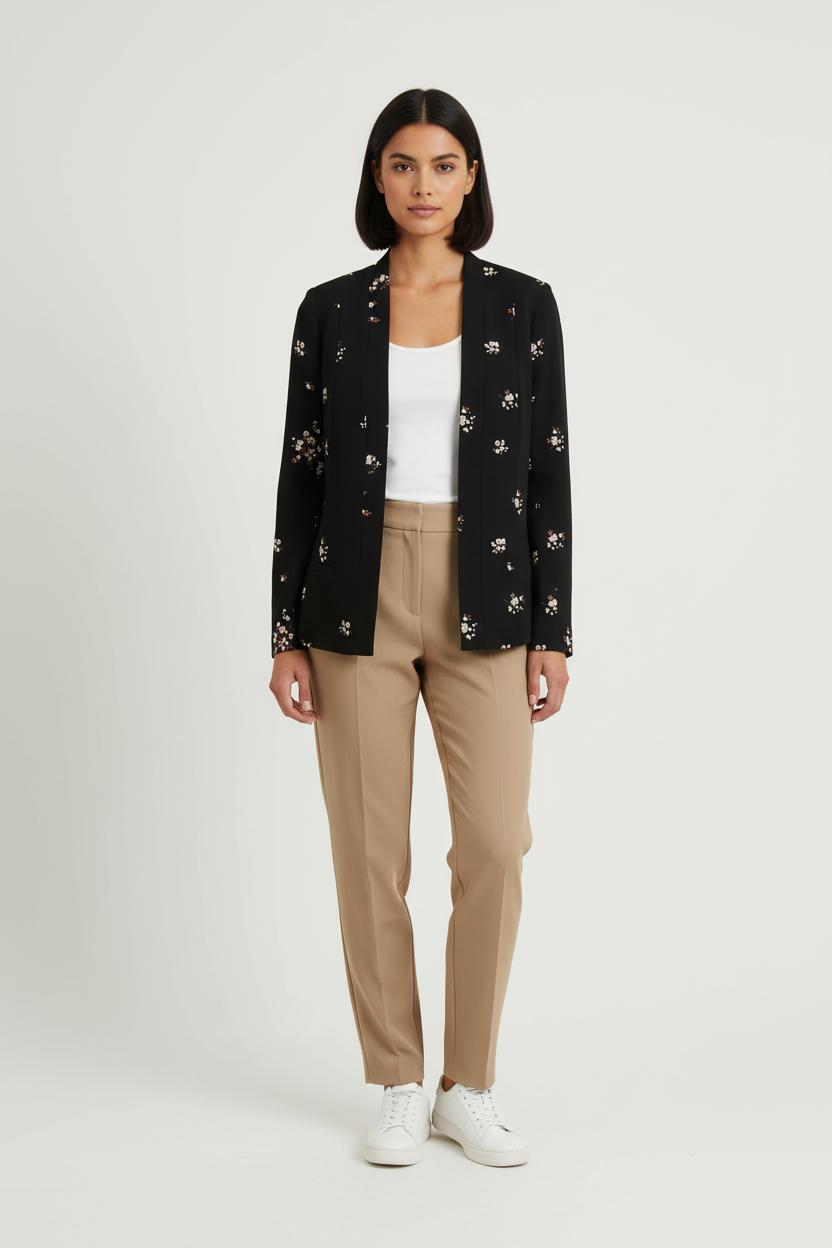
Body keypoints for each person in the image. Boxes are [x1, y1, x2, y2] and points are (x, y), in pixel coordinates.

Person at [268, 87, 573, 1167]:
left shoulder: (522, 306)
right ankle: (399, 1077)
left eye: (444, 165)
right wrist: (284, 632)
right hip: (353, 588)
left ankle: (467, 1084)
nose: (423, 185)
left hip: (487, 589)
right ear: (377, 178)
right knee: (368, 851)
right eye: (403, 165)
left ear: (471, 177)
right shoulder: (330, 310)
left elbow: (547, 471)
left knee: (494, 843)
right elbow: (301, 476)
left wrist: (554, 629)